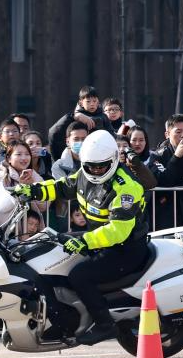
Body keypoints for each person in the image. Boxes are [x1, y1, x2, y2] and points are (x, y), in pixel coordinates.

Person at [13, 130, 148, 345]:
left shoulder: (126, 188)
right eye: (91, 166)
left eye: (101, 166)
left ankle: (105, 324)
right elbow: (61, 186)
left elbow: (118, 231)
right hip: (99, 239)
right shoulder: (84, 175)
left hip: (126, 248)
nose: (96, 170)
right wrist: (33, 191)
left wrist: (84, 241)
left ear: (113, 160)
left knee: (80, 275)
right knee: (51, 244)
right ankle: (59, 319)